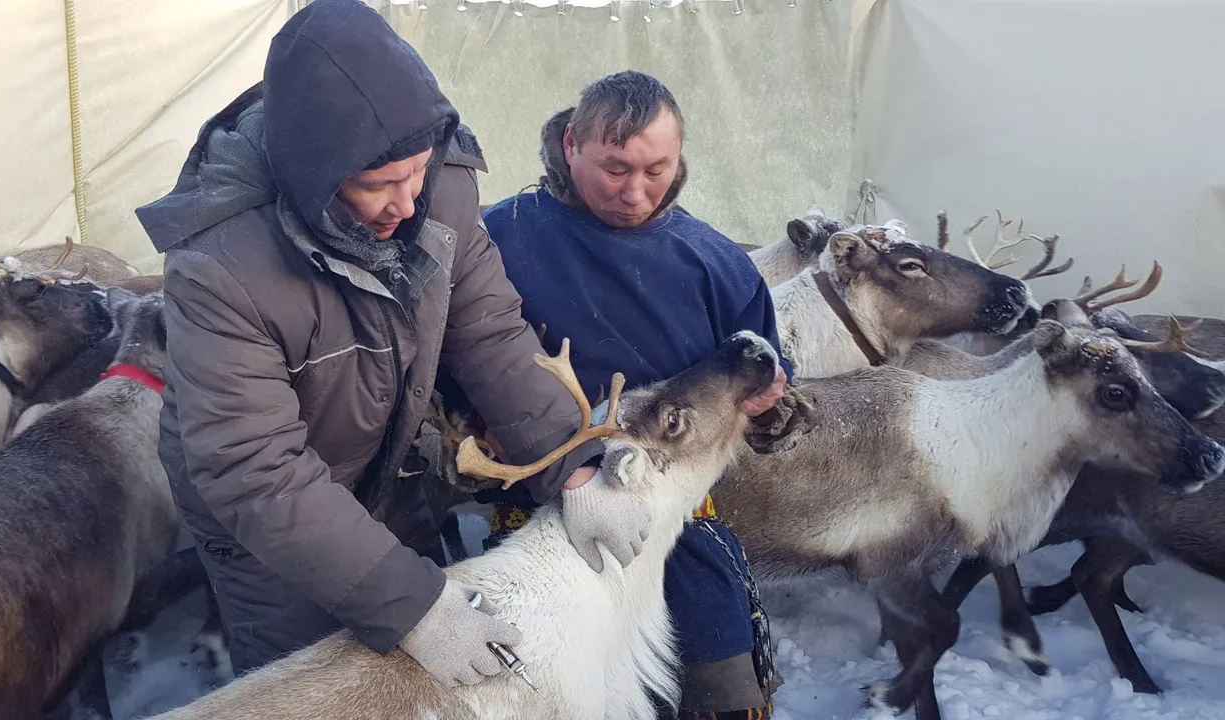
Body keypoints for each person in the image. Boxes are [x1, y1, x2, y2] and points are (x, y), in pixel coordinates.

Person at [132, 0, 651, 686]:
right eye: (377, 185)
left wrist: (575, 468)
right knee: (316, 681)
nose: (408, 204)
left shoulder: (443, 189)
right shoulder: (222, 262)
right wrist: (416, 609)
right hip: (267, 519)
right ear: (310, 171)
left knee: (422, 669)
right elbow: (252, 469)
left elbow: (490, 331)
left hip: (385, 467)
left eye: (417, 173)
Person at [478, 70, 793, 719]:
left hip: (681, 533)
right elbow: (451, 373)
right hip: (541, 526)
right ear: (572, 146)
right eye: (614, 168)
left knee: (723, 701)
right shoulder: (497, 240)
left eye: (657, 169)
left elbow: (769, 408)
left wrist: (768, 411)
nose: (635, 191)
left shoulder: (719, 264)